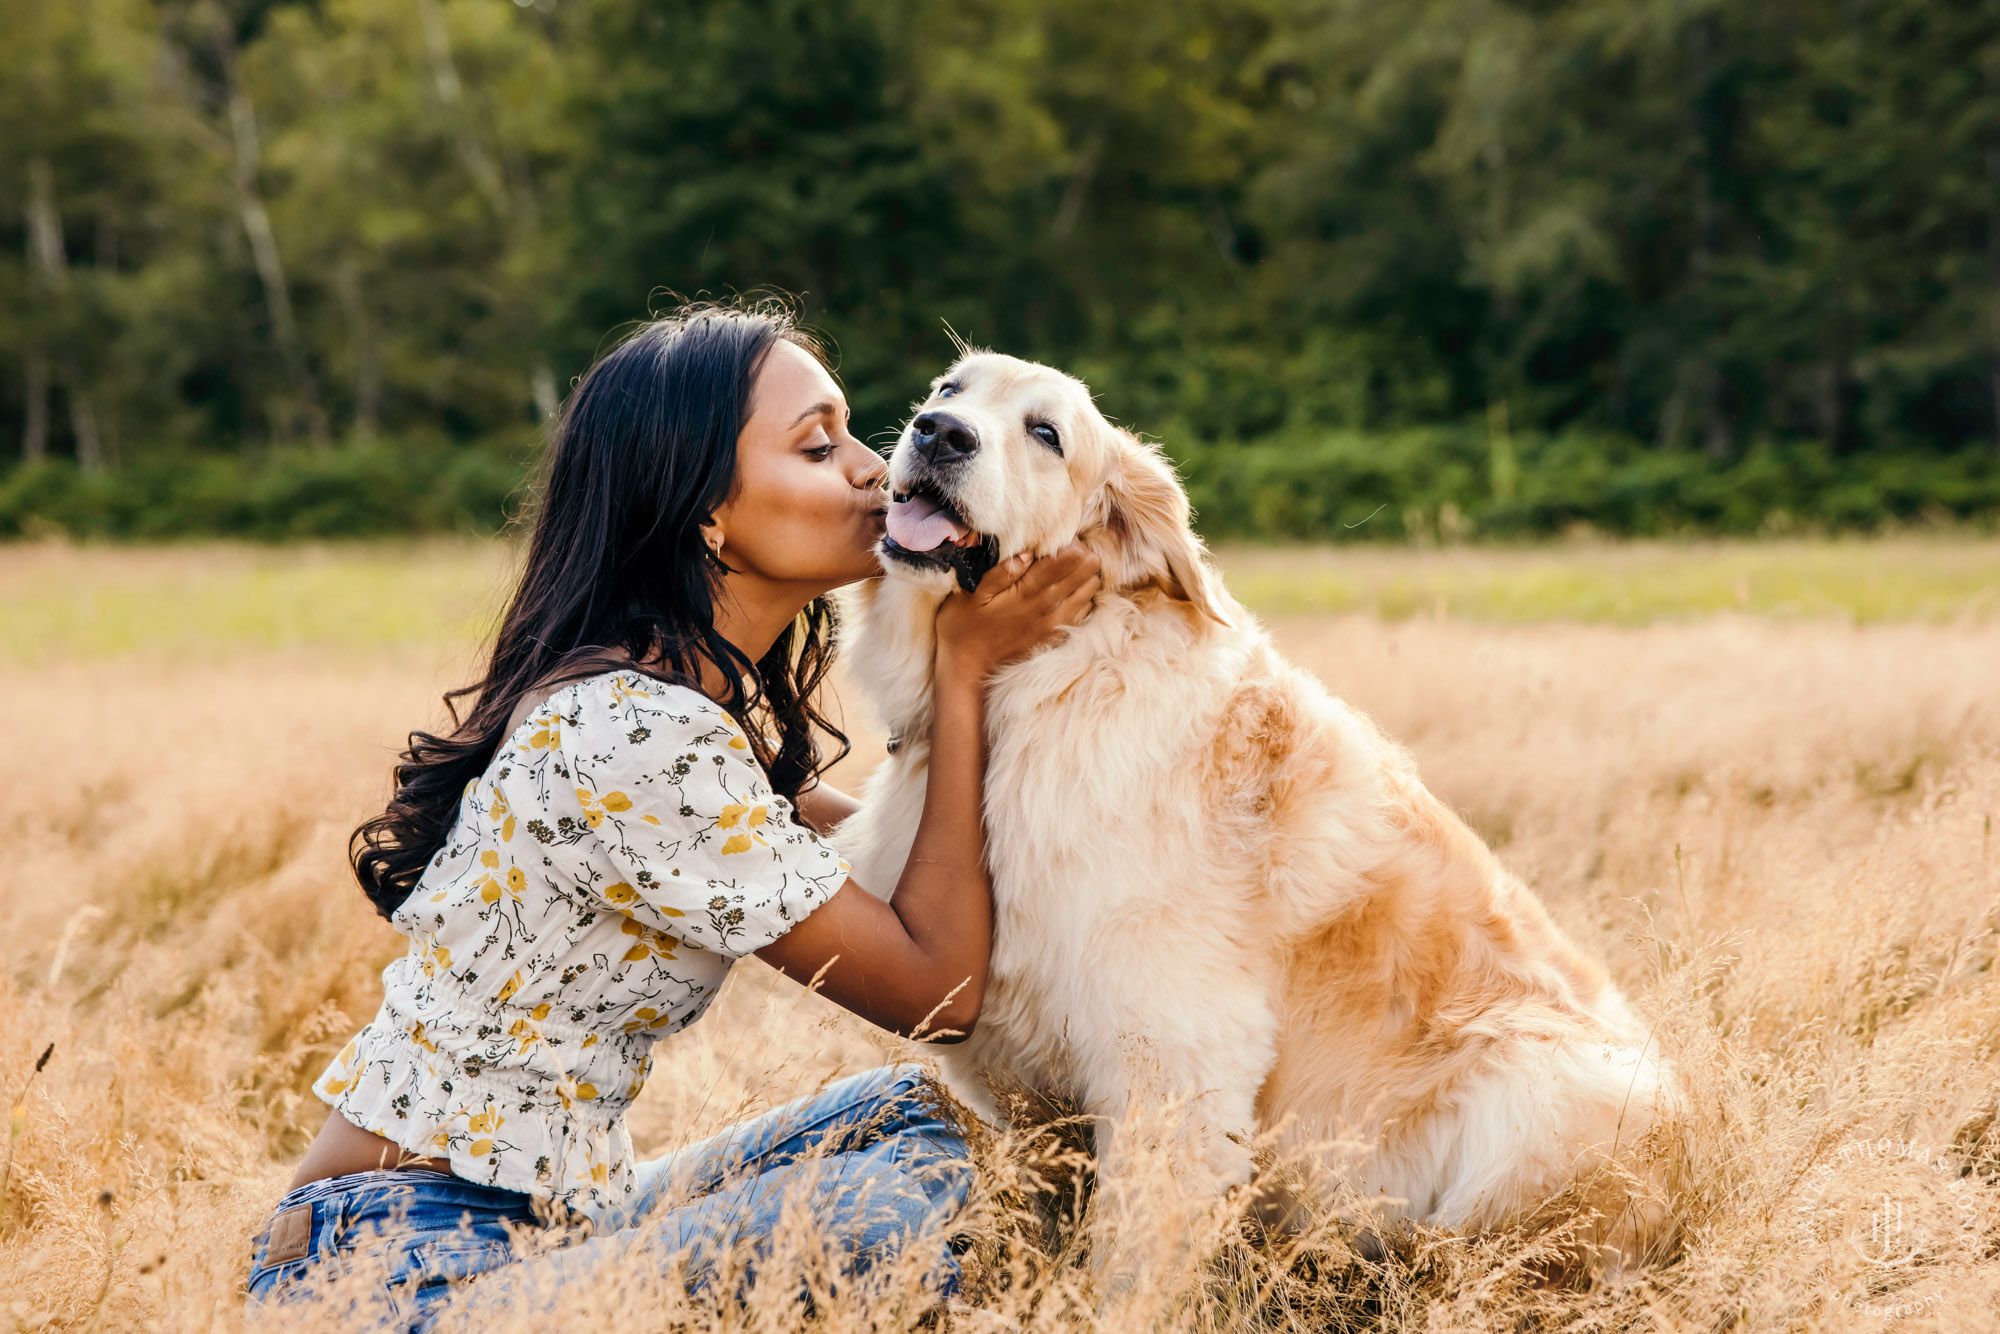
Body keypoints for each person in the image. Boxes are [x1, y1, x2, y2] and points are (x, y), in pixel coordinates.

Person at [243, 301, 1102, 1329]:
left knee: (912, 1119)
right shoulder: (632, 735)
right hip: (397, 1272)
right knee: (875, 1206)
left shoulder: (683, 705)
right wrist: (965, 669)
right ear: (708, 512)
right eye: (817, 446)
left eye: (853, 434)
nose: (872, 468)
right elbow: (935, 990)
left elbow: (886, 854)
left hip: (547, 1226)